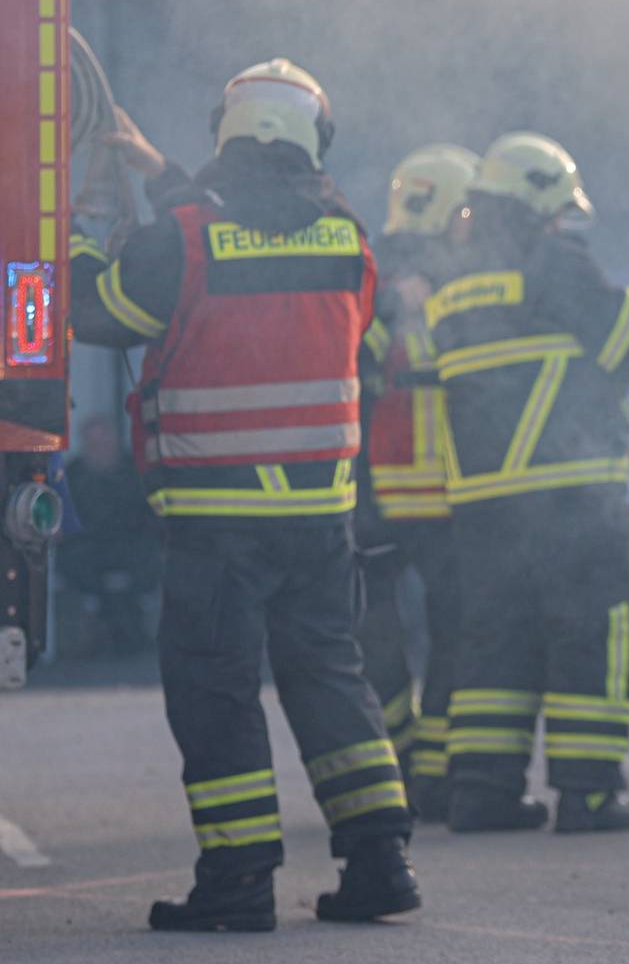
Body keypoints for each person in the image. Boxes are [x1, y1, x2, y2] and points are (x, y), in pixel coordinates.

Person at [70, 60, 418, 931]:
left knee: (216, 691)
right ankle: (380, 861)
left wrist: (71, 229)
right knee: (332, 678)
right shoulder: (347, 239)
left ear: (227, 134)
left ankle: (237, 881)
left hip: (217, 521)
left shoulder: (182, 239)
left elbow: (97, 311)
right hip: (319, 521)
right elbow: (257, 233)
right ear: (312, 138)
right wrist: (160, 174)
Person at [429, 132, 629, 834]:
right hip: (570, 496)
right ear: (540, 200)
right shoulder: (555, 262)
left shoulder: (455, 283)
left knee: (493, 644)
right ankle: (589, 794)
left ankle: (481, 791)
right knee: (589, 638)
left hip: (481, 504)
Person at [354, 144, 478, 817]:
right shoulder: (457, 280)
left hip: (376, 492)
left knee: (380, 631)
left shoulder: (367, 269)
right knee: (452, 628)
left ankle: (401, 762)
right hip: (443, 493)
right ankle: (427, 766)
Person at [56, 414, 161, 656]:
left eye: (104, 442)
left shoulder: (136, 472)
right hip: (87, 551)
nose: (100, 449)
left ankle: (126, 635)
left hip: (131, 548)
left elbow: (150, 517)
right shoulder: (72, 475)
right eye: (93, 444)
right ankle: (112, 635)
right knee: (92, 576)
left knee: (138, 569)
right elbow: (65, 520)